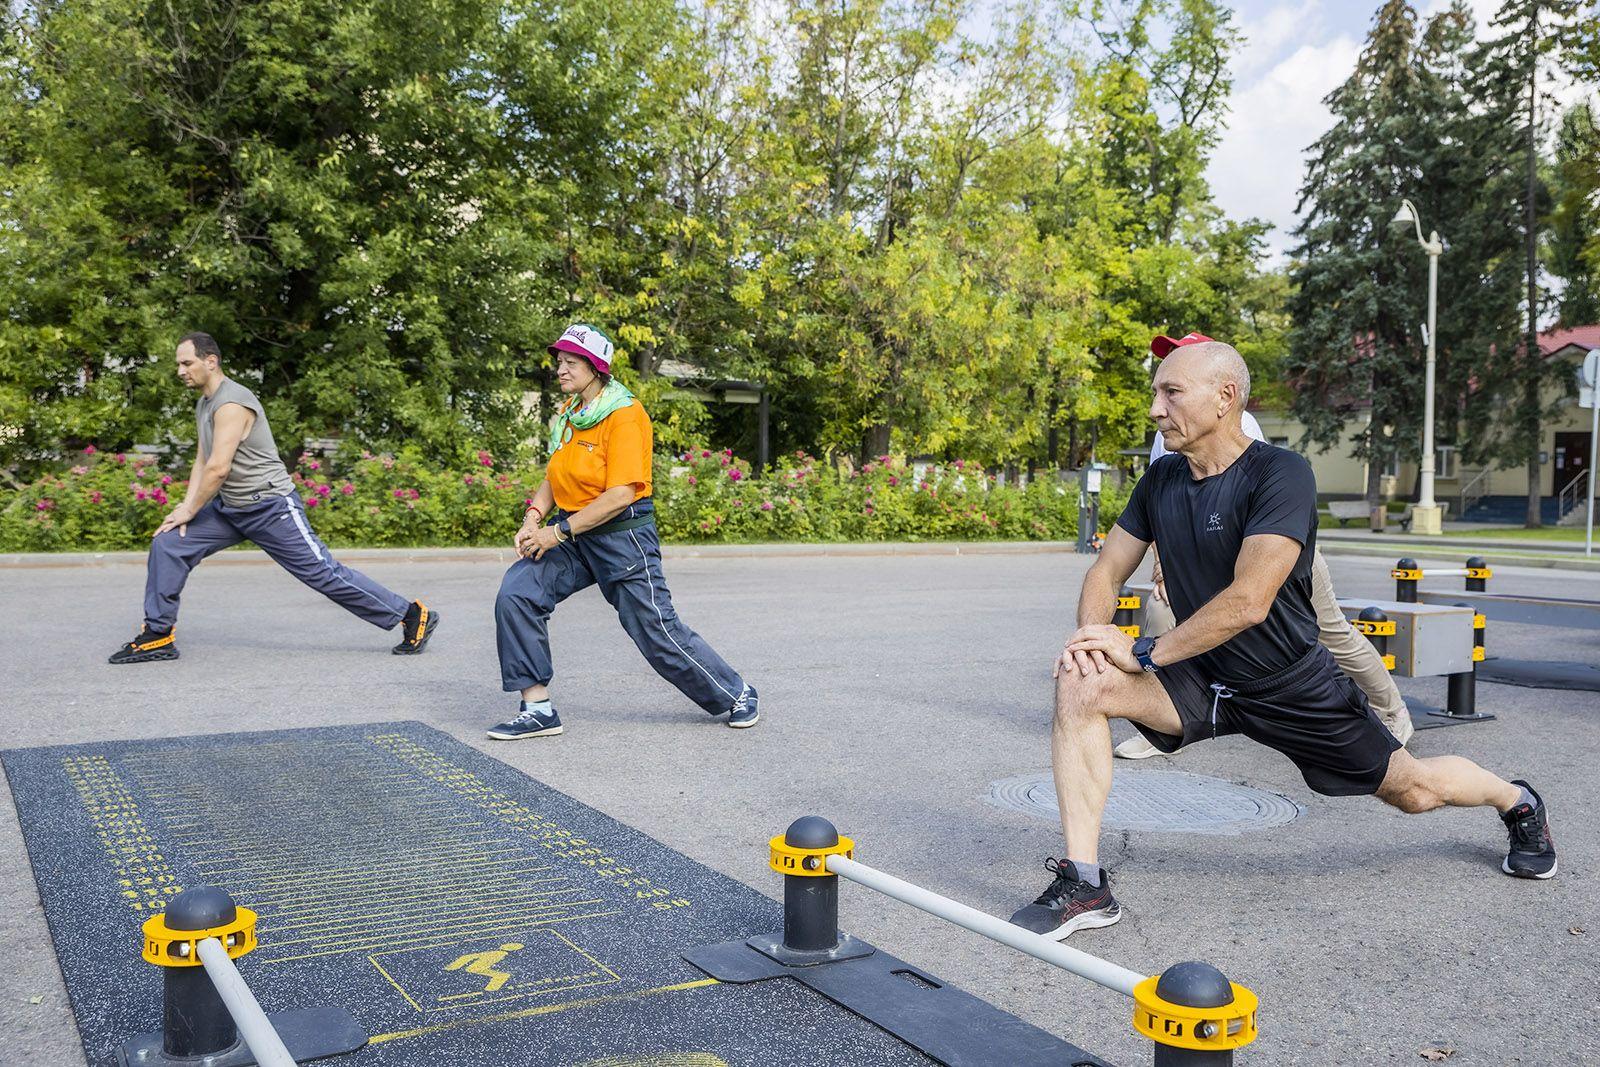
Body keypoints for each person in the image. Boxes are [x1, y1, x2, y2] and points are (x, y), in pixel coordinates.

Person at [1009, 339, 1556, 942]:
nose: (1155, 409)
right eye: (1155, 393)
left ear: (1225, 398)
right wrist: (1093, 636)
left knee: (1416, 792)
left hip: (1289, 683)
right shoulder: (1162, 477)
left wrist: (1141, 652)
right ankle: (1085, 883)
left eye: (1171, 393)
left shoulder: (1280, 474)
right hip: (1200, 676)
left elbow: (1249, 601)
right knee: (1081, 682)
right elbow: (1105, 571)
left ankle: (1516, 801)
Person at [1114, 332, 1412, 759]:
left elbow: (1260, 514)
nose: (1160, 401)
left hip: (1273, 547)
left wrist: (1145, 653)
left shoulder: (1236, 424)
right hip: (1203, 544)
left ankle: (1392, 711)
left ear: (1222, 392)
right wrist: (1163, 561)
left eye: (1175, 379)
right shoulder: (1169, 429)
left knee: (1332, 633)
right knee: (1162, 611)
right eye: (1163, 373)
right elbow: (1162, 506)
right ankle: (1159, 722)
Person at [488, 323, 758, 739]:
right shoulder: (571, 414)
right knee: (517, 594)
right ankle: (537, 707)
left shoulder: (625, 415)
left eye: (570, 362)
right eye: (559, 362)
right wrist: (533, 517)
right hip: (574, 531)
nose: (560, 370)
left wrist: (554, 535)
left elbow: (619, 495)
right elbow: (554, 476)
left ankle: (735, 693)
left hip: (621, 535)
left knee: (654, 630)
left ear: (595, 366)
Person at [109, 333, 437, 664]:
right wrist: (185, 507)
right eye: (178, 364)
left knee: (323, 573)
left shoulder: (231, 403)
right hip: (231, 508)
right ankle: (158, 634)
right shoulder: (205, 402)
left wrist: (193, 507)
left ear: (211, 361)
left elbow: (219, 469)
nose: (180, 371)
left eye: (186, 363)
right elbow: (203, 458)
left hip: (270, 507)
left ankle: (411, 615)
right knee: (169, 544)